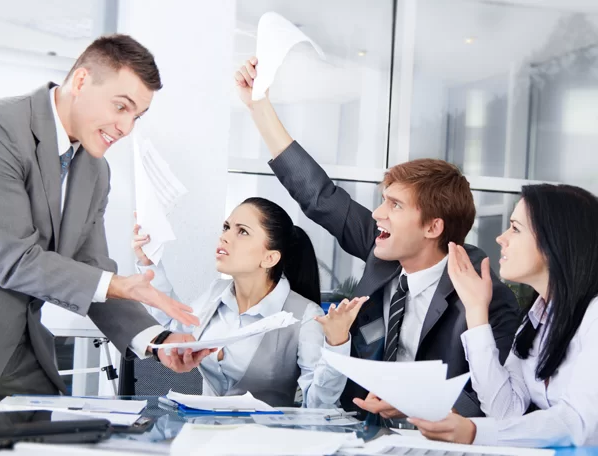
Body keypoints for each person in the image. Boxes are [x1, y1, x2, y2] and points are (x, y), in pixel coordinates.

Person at [233, 57, 521, 420]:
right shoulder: (384, 251)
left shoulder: (485, 296)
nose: (377, 214)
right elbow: (319, 196)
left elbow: (496, 399)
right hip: (353, 429)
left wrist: (419, 406)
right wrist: (259, 108)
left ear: (433, 227)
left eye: (395, 205)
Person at [0, 34, 212, 401]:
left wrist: (159, 341)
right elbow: (14, 261)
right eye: (121, 107)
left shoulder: (96, 171)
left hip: (21, 355)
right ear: (82, 81)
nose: (126, 128)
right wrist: (121, 284)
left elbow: (92, 266)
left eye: (137, 116)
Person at [405, 184, 598, 447]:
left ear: (556, 242)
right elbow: (505, 411)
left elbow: (580, 423)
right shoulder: (537, 320)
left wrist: (475, 431)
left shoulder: (594, 316)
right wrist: (476, 310)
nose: (501, 238)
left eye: (516, 228)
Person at [132, 197, 367, 407]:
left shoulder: (305, 314)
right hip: (203, 436)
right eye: (226, 227)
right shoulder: (216, 294)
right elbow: (169, 328)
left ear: (270, 258)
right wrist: (148, 261)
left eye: (242, 231)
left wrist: (337, 343)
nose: (224, 236)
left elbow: (319, 405)